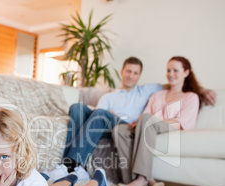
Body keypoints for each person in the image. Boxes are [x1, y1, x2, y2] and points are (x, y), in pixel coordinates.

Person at [61, 56, 216, 178]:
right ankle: (65, 165)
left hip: (127, 126)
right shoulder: (109, 97)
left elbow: (175, 83)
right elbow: (95, 117)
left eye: (135, 73)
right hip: (104, 122)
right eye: (128, 71)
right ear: (122, 72)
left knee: (101, 114)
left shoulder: (147, 90)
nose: (131, 76)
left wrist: (200, 90)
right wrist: (108, 114)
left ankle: (74, 166)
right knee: (77, 108)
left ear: (140, 75)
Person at [113, 56, 202, 186]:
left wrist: (151, 120)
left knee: (147, 119)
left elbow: (184, 122)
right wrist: (138, 122)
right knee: (119, 129)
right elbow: (146, 113)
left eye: (175, 71)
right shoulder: (158, 94)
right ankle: (133, 180)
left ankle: (142, 178)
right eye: (168, 70)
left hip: (173, 127)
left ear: (186, 73)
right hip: (151, 125)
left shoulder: (191, 97)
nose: (171, 74)